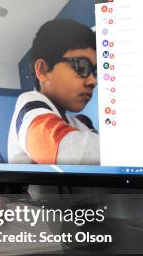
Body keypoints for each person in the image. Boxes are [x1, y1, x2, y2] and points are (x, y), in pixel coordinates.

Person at [7, 19, 100, 165]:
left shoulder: (81, 123)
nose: (93, 81)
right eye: (81, 67)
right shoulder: (30, 108)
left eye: (95, 72)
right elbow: (68, 152)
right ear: (42, 70)